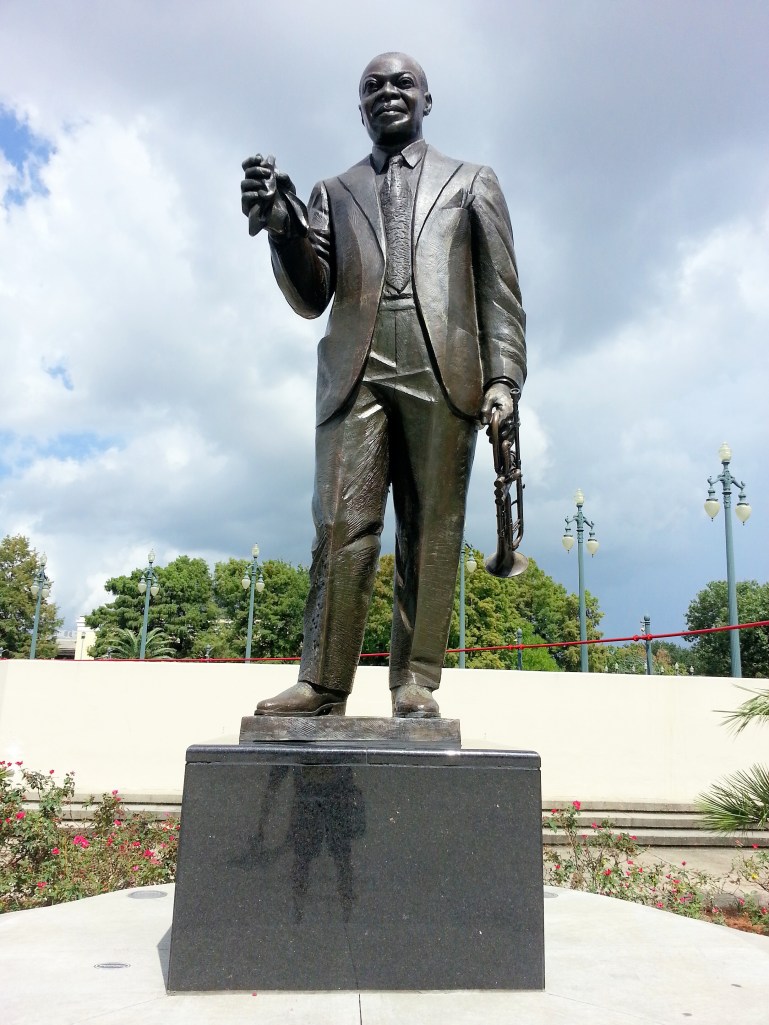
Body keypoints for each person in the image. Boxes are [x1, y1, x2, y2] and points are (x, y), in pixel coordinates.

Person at [240, 52, 526, 718]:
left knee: (431, 529)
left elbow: (500, 295)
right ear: (358, 107)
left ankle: (414, 680)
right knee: (340, 523)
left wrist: (504, 378)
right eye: (372, 86)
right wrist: (281, 227)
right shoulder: (332, 193)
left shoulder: (472, 181)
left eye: (402, 83)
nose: (387, 92)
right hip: (355, 369)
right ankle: (322, 681)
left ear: (428, 99)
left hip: (444, 366)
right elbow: (311, 295)